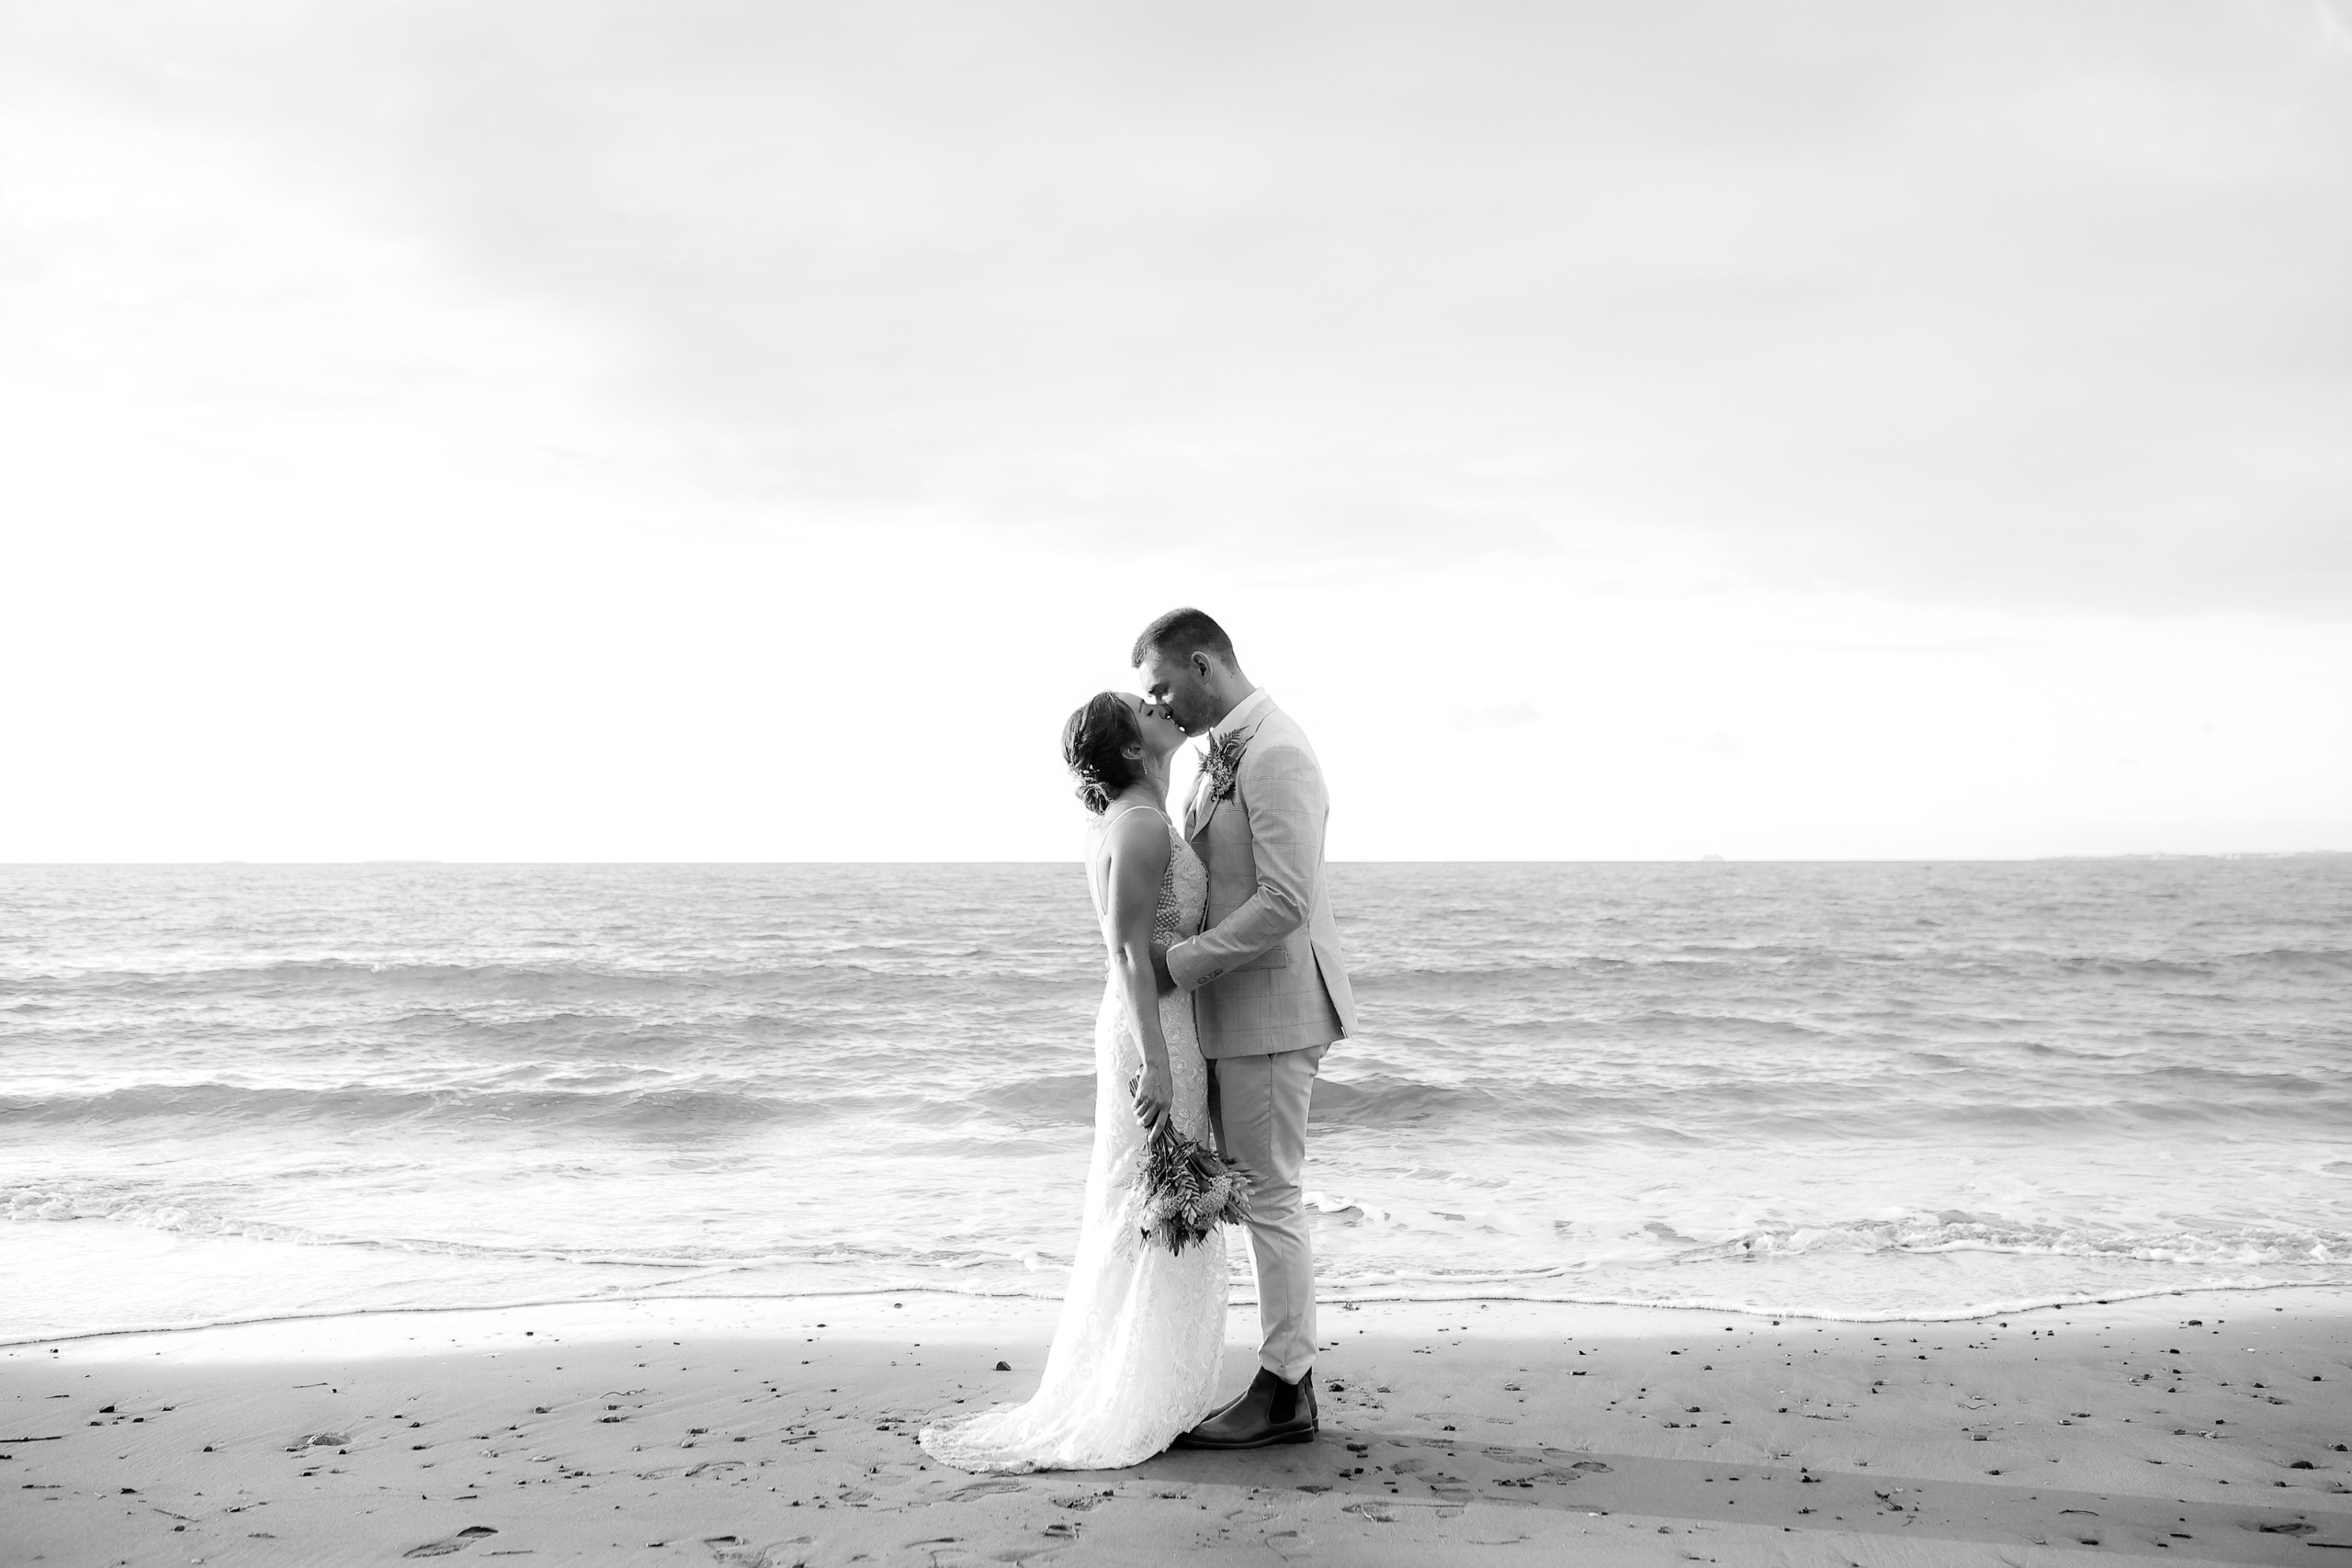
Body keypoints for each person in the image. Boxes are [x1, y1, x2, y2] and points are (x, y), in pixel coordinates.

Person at [917, 690, 1227, 1472]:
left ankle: (1146, 1381)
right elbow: (1129, 951)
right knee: (1151, 1196)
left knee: (1145, 1195)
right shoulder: (1143, 823)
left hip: (1147, 1021)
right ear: (1131, 748)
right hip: (1151, 1029)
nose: (1161, 706)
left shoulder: (1132, 817)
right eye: (1145, 708)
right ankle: (1135, 1391)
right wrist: (1156, 1061)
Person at [1133, 607, 1356, 1450]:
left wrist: (1179, 964)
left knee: (1271, 1197)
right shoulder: (1220, 752)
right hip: (1238, 1012)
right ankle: (1277, 1378)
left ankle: (1286, 1388)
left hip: (1273, 1010)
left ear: (1202, 664)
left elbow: (1286, 902)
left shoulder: (1278, 752)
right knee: (1260, 1194)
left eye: (1161, 685)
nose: (1158, 703)